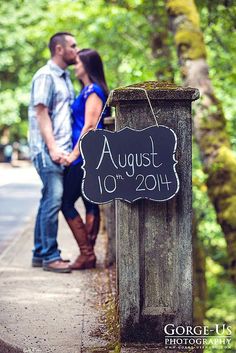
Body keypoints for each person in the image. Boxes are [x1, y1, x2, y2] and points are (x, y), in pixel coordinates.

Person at [28, 32, 78, 273]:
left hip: (59, 148)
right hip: (48, 149)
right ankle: (50, 256)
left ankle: (39, 253)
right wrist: (53, 148)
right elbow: (41, 113)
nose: (76, 50)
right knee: (54, 199)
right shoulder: (46, 76)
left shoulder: (64, 77)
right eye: (73, 46)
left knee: (47, 198)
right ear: (59, 49)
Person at [61, 49, 110, 270]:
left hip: (85, 155)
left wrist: (73, 154)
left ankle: (87, 253)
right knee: (90, 202)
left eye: (78, 62)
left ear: (88, 66)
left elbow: (90, 126)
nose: (75, 66)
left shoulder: (93, 90)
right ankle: (88, 254)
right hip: (90, 155)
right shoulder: (88, 90)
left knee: (66, 202)